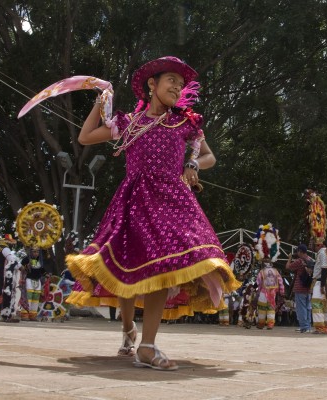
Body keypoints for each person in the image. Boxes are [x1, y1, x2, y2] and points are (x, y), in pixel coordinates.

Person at [66, 56, 240, 370]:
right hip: (134, 200)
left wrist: (192, 163)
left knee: (164, 266)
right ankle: (128, 329)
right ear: (152, 84)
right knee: (127, 267)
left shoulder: (185, 123)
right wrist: (99, 102)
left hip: (172, 200)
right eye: (170, 80)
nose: (177, 86)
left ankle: (147, 345)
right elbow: (85, 136)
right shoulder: (129, 122)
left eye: (180, 83)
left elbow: (209, 156)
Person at [310, 239, 327, 334]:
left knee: (317, 303)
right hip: (320, 281)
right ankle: (324, 326)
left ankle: (321, 327)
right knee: (322, 305)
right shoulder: (323, 252)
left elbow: (324, 269)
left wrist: (322, 285)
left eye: (312, 244)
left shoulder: (322, 253)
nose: (311, 246)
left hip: (320, 282)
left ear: (318, 245)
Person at [286, 244, 313, 333]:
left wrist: (289, 258)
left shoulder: (299, 261)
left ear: (300, 251)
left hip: (299, 287)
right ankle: (308, 326)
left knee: (301, 308)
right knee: (308, 308)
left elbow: (288, 267)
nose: (297, 253)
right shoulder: (310, 260)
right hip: (308, 288)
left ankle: (304, 327)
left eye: (297, 251)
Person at [255, 258, 285, 330]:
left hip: (263, 292)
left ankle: (261, 324)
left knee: (262, 308)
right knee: (271, 308)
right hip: (272, 293)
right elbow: (280, 282)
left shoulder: (262, 271)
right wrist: (282, 291)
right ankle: (270, 324)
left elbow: (258, 282)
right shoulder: (276, 271)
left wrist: (257, 290)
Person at [20, 247, 45, 321]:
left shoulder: (40, 260)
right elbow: (22, 269)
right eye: (34, 252)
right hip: (29, 280)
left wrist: (46, 274)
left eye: (37, 252)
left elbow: (42, 270)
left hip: (37, 281)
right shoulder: (26, 259)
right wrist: (27, 266)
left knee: (36, 298)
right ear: (30, 252)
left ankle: (33, 315)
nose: (36, 253)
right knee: (28, 297)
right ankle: (25, 315)